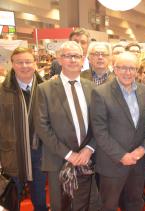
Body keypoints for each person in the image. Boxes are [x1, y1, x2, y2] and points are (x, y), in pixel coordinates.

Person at [34, 41, 98, 211]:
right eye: (67, 55)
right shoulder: (44, 89)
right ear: (59, 59)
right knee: (61, 206)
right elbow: (42, 126)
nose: (72, 60)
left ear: (83, 59)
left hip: (87, 159)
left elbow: (100, 123)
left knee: (87, 204)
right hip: (58, 159)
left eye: (76, 56)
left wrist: (89, 149)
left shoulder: (92, 88)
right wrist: (69, 154)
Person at [90, 52, 145, 211]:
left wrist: (142, 149)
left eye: (132, 68)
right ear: (114, 69)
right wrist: (121, 156)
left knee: (134, 203)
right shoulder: (101, 93)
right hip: (112, 163)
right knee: (109, 205)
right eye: (123, 68)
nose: (128, 72)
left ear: (137, 70)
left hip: (138, 162)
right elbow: (100, 131)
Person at [0, 47, 48, 211]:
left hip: (39, 154)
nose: (24, 65)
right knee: (12, 200)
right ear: (12, 64)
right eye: (19, 62)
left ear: (35, 64)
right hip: (12, 154)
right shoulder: (2, 91)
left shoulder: (46, 89)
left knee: (40, 200)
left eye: (28, 61)